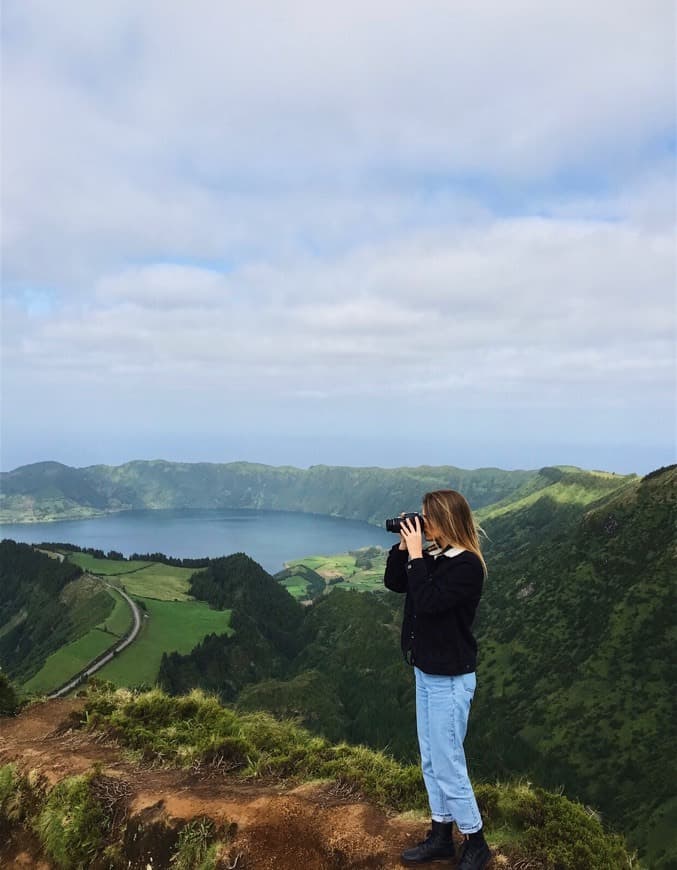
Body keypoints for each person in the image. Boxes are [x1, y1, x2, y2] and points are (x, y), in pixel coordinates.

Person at [383, 489, 491, 869]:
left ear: (446, 520)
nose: (422, 525)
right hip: (426, 671)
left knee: (448, 762)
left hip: (450, 678)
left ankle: (476, 842)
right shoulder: (434, 556)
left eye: (427, 518)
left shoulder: (467, 566)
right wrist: (403, 547)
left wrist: (415, 554)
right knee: (431, 758)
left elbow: (428, 602)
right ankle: (442, 835)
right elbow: (396, 583)